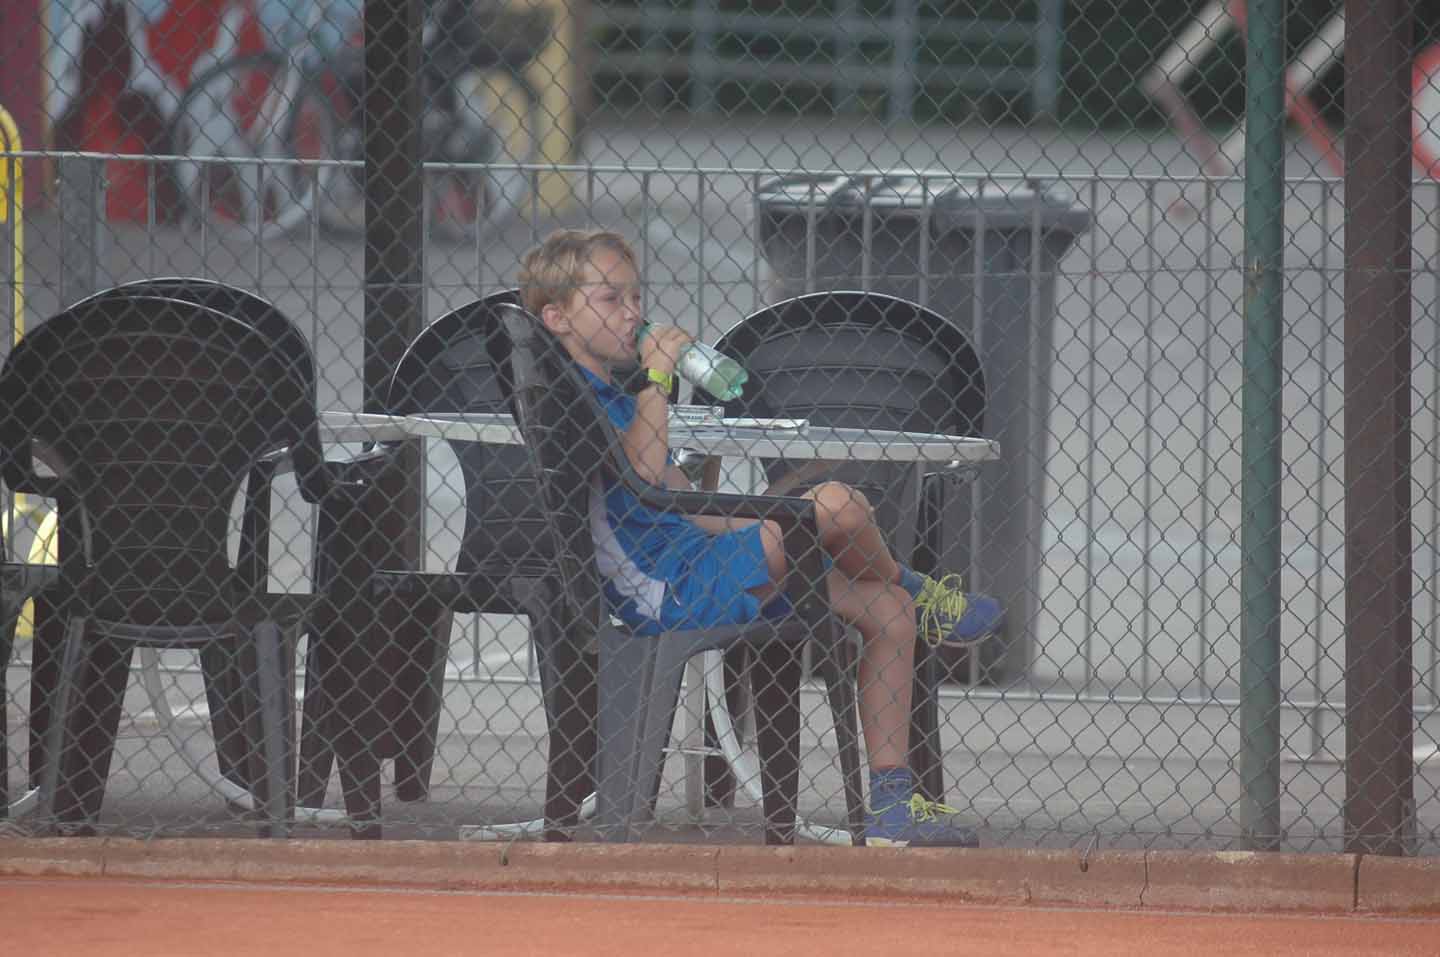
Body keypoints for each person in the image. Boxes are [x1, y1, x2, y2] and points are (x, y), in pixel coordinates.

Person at [517, 228, 1003, 847]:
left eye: (635, 296)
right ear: (556, 317)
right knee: (837, 503)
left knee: (887, 609)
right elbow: (645, 473)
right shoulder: (571, 395)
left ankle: (890, 805)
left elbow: (689, 507)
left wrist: (780, 521)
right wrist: (657, 377)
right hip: (664, 590)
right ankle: (921, 589)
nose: (634, 312)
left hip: (699, 561)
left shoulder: (613, 394)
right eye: (612, 299)